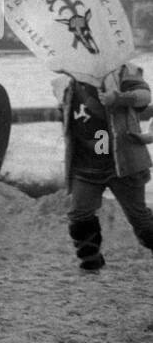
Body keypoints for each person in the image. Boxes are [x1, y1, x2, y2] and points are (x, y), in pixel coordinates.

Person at [54, 63, 153, 269]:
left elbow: (144, 96)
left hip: (123, 162)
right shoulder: (66, 80)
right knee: (79, 215)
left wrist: (119, 98)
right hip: (86, 163)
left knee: (140, 219)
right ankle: (91, 263)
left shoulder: (123, 71)